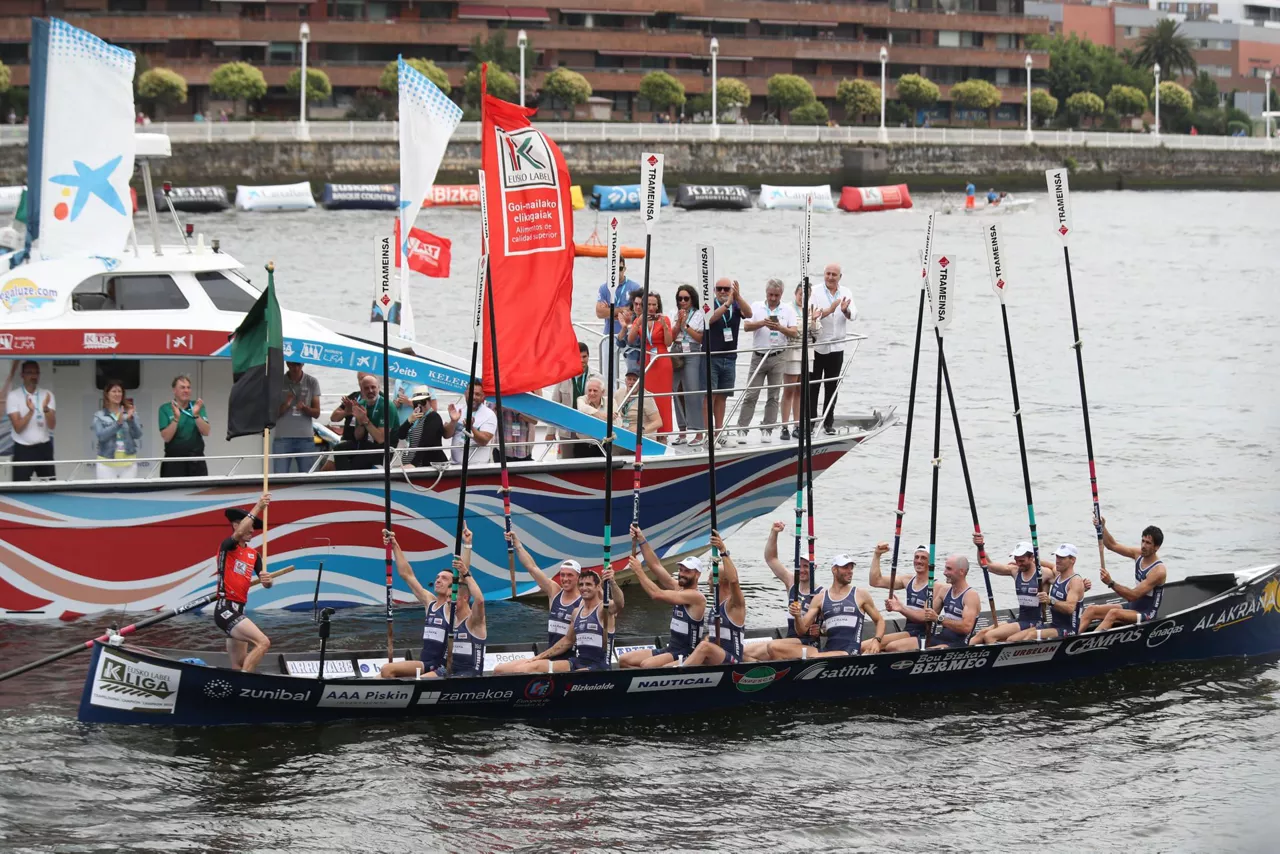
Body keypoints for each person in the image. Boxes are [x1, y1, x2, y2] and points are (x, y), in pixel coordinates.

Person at [379, 525, 486, 678]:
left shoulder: (450, 607)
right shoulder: (429, 602)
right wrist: (394, 544)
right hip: (424, 662)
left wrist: (467, 545)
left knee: (388, 670)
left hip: (438, 665)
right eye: (437, 578)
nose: (438, 580)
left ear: (452, 587)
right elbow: (407, 575)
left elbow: (463, 579)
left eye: (444, 578)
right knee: (382, 673)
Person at [499, 566, 624, 672]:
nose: (584, 588)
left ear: (598, 587)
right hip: (577, 662)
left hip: (599, 667)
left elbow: (619, 604)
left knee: (527, 670)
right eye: (581, 584)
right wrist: (539, 657)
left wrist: (612, 582)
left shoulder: (604, 609)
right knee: (504, 669)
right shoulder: (576, 612)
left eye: (589, 584)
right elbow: (567, 641)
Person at [493, 530, 582, 672]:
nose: (565, 579)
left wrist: (539, 657)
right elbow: (532, 568)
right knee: (499, 670)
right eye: (563, 575)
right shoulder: (555, 592)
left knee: (522, 671)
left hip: (569, 660)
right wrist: (517, 544)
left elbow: (568, 642)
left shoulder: (582, 603)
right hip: (550, 655)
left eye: (570, 575)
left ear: (578, 577)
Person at [619, 524, 706, 668]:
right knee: (624, 660)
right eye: (681, 570)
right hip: (672, 648)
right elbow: (655, 565)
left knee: (647, 666)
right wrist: (641, 538)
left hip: (687, 652)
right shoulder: (679, 588)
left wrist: (638, 571)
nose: (682, 574)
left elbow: (656, 594)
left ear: (697, 575)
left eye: (687, 571)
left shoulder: (696, 597)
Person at [215, 492, 274, 672]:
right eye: (250, 525)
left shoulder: (254, 555)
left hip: (240, 609)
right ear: (235, 525)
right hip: (225, 609)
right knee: (263, 642)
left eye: (254, 527)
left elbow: (266, 584)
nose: (252, 530)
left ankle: (237, 686)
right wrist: (259, 506)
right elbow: (239, 533)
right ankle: (245, 685)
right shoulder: (227, 546)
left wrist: (268, 580)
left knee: (239, 665)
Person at [748, 521, 822, 662]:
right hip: (790, 640)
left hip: (807, 643)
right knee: (745, 652)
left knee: (772, 646)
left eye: (806, 566)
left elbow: (829, 624)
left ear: (814, 567)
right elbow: (771, 559)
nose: (802, 570)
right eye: (799, 566)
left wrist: (822, 631)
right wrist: (774, 533)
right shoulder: (791, 582)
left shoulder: (821, 593)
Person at [736, 278, 798, 444]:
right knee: (751, 394)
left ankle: (768, 428)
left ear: (781, 295)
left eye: (776, 295)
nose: (773, 298)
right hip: (758, 355)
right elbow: (746, 327)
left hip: (778, 355)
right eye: (770, 294)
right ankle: (742, 428)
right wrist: (762, 323)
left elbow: (794, 333)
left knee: (774, 395)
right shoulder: (757, 306)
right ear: (766, 293)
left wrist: (779, 328)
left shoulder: (788, 309)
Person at [1078, 520, 1167, 633]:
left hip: (1146, 614)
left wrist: (1111, 583)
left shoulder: (1158, 571)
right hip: (1132, 607)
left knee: (1113, 613)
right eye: (1143, 541)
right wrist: (1102, 527)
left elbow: (1133, 595)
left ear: (1157, 547)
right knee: (1091, 610)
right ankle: (1070, 640)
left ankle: (1085, 644)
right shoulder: (1138, 554)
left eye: (1148, 543)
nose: (1143, 546)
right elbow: (1112, 545)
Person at [791, 554, 886, 658]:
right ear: (834, 569)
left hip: (850, 652)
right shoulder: (820, 598)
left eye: (851, 568)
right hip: (828, 651)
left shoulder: (861, 594)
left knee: (814, 657)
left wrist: (877, 640)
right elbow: (801, 630)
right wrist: (797, 616)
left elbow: (879, 621)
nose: (850, 571)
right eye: (845, 568)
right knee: (777, 650)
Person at [968, 535, 1054, 645]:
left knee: (990, 636)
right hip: (1020, 619)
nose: (1018, 564)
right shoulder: (1015, 571)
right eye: (1016, 560)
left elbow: (1064, 580)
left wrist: (1082, 585)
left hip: (1035, 622)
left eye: (1022, 561)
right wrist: (980, 547)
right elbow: (987, 565)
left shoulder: (1044, 573)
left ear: (1032, 558)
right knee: (981, 634)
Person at [684, 531, 748, 665]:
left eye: (710, 578)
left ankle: (678, 675)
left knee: (704, 647)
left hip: (732, 661)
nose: (707, 582)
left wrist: (723, 551)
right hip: (716, 657)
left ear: (721, 581)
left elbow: (734, 580)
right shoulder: (714, 607)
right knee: (703, 644)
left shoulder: (734, 604)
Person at [704, 278, 753, 447]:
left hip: (730, 357)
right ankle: (708, 434)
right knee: (711, 395)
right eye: (720, 289)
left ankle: (719, 432)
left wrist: (738, 297)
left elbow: (749, 314)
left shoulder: (735, 304)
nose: (723, 292)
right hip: (712, 356)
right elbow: (710, 319)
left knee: (723, 396)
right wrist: (726, 304)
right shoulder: (709, 303)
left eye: (727, 289)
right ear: (714, 289)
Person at [810, 264, 855, 436]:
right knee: (813, 386)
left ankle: (828, 422)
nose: (830, 277)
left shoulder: (846, 292)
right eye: (828, 274)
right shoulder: (814, 291)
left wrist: (845, 311)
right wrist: (830, 309)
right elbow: (811, 314)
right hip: (817, 345)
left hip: (837, 346)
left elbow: (855, 314)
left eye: (834, 274)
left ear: (840, 276)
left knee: (832, 387)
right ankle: (811, 423)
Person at [1009, 544, 1086, 642]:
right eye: (1057, 556)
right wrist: (1026, 562)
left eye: (1062, 558)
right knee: (1012, 639)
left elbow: (1070, 608)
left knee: (1030, 635)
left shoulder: (1075, 581)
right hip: (1055, 625)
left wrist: (1050, 601)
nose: (1057, 560)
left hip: (1069, 630)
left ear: (1073, 560)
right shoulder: (1058, 575)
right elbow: (1051, 565)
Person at [872, 543, 937, 652]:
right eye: (916, 557)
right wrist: (877, 555)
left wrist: (901, 608)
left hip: (924, 634)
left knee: (891, 647)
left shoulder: (935, 587)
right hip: (908, 631)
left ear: (930, 562)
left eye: (923, 558)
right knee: (865, 645)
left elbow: (923, 616)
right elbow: (875, 581)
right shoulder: (907, 580)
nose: (919, 561)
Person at [627, 291, 674, 438]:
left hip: (661, 359)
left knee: (663, 398)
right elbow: (630, 340)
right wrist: (637, 323)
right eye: (649, 304)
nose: (652, 308)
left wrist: (665, 327)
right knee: (647, 396)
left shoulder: (664, 318)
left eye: (654, 304)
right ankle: (650, 431)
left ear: (658, 305)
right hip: (647, 359)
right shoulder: (640, 319)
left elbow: (668, 342)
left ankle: (664, 433)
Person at [781, 281, 820, 442]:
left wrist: (814, 321)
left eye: (806, 295)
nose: (803, 297)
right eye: (800, 294)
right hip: (792, 353)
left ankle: (797, 425)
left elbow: (817, 333)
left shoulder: (812, 310)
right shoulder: (788, 309)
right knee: (789, 389)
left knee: (800, 391)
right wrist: (807, 326)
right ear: (795, 293)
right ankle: (784, 426)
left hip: (807, 354)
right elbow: (793, 331)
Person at [6, 360, 56, 482]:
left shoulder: (47, 394)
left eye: (36, 373)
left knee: (50, 487)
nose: (33, 376)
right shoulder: (14, 396)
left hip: (44, 448)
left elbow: (52, 425)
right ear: (22, 375)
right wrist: (30, 412)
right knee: (20, 488)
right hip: (23, 449)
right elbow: (18, 428)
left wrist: (45, 409)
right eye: (29, 372)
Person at [669, 283, 705, 446]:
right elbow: (671, 335)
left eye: (686, 298)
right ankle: (682, 431)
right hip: (676, 349)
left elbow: (699, 338)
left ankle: (698, 432)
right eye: (680, 298)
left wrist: (685, 325)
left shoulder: (699, 314)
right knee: (677, 391)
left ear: (692, 299)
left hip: (692, 350)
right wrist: (678, 323)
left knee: (692, 390)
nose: (682, 301)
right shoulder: (673, 313)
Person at [549, 342, 600, 458]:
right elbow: (554, 405)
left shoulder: (598, 378)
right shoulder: (563, 377)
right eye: (578, 357)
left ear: (588, 356)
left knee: (588, 462)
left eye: (584, 357)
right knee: (566, 462)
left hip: (589, 430)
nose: (582, 360)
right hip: (567, 430)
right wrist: (550, 432)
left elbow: (605, 404)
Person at [921, 554, 980, 649]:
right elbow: (927, 615)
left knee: (926, 651)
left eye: (949, 569)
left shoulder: (970, 596)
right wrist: (931, 587)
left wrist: (938, 619)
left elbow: (966, 628)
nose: (944, 573)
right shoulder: (945, 590)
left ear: (961, 571)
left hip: (959, 644)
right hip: (940, 638)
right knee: (898, 647)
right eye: (945, 568)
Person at [273, 361, 321, 474]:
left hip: (306, 438)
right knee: (279, 477)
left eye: (298, 364)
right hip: (282, 438)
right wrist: (287, 403)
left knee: (307, 477)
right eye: (292, 365)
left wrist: (304, 408)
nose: (295, 368)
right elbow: (273, 414)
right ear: (287, 364)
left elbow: (317, 413)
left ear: (303, 364)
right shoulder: (278, 382)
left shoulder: (312, 382)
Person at [158, 374, 208, 478]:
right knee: (172, 493)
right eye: (182, 387)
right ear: (174, 390)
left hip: (196, 460)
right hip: (174, 460)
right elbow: (166, 438)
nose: (186, 390)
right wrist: (176, 419)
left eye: (188, 387)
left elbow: (206, 432)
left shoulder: (197, 406)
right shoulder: (165, 408)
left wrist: (196, 415)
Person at [91, 379, 143, 479]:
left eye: (119, 391)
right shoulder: (99, 415)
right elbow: (101, 436)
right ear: (107, 394)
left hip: (128, 462)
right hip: (106, 462)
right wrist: (118, 424)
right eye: (114, 391)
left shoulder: (130, 413)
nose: (117, 394)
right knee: (105, 493)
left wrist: (131, 420)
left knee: (128, 493)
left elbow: (138, 434)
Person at [445, 379, 496, 465]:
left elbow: (484, 441)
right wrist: (453, 422)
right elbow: (446, 435)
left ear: (483, 396)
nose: (473, 397)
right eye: (471, 393)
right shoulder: (456, 409)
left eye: (477, 394)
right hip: (455, 465)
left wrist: (471, 428)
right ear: (465, 394)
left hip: (478, 467)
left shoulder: (489, 414)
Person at [395, 385, 447, 467]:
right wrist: (409, 421)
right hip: (411, 463)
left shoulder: (433, 417)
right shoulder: (416, 418)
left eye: (422, 402)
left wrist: (413, 464)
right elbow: (400, 435)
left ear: (429, 401)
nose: (420, 406)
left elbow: (426, 442)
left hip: (426, 465)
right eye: (416, 403)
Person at [595, 257, 641, 336]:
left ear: (624, 269)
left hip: (629, 335)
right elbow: (599, 313)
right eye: (614, 268)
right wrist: (622, 310)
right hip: (609, 334)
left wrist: (609, 311)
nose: (617, 271)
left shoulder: (635, 287)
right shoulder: (604, 288)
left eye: (620, 268)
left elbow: (639, 312)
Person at [615, 369, 662, 438]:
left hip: (641, 436)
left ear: (641, 382)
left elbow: (658, 422)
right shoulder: (619, 393)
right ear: (625, 381)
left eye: (635, 380)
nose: (631, 382)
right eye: (629, 379)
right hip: (623, 433)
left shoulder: (646, 397)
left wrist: (641, 430)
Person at [573, 375, 608, 459]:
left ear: (602, 392)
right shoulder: (581, 399)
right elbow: (582, 407)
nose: (592, 393)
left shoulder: (610, 401)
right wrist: (599, 414)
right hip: (583, 445)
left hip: (603, 445)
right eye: (589, 390)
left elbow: (616, 421)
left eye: (595, 391)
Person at [497, 396, 539, 464]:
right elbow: (490, 416)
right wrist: (501, 406)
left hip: (523, 449)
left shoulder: (528, 396)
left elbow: (535, 420)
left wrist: (517, 410)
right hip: (503, 449)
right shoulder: (497, 395)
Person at [616, 292, 645, 377]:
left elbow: (634, 342)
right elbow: (620, 342)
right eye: (636, 304)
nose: (638, 307)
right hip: (631, 363)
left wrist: (631, 327)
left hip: (642, 363)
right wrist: (625, 327)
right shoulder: (632, 319)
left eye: (641, 304)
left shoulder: (649, 320)